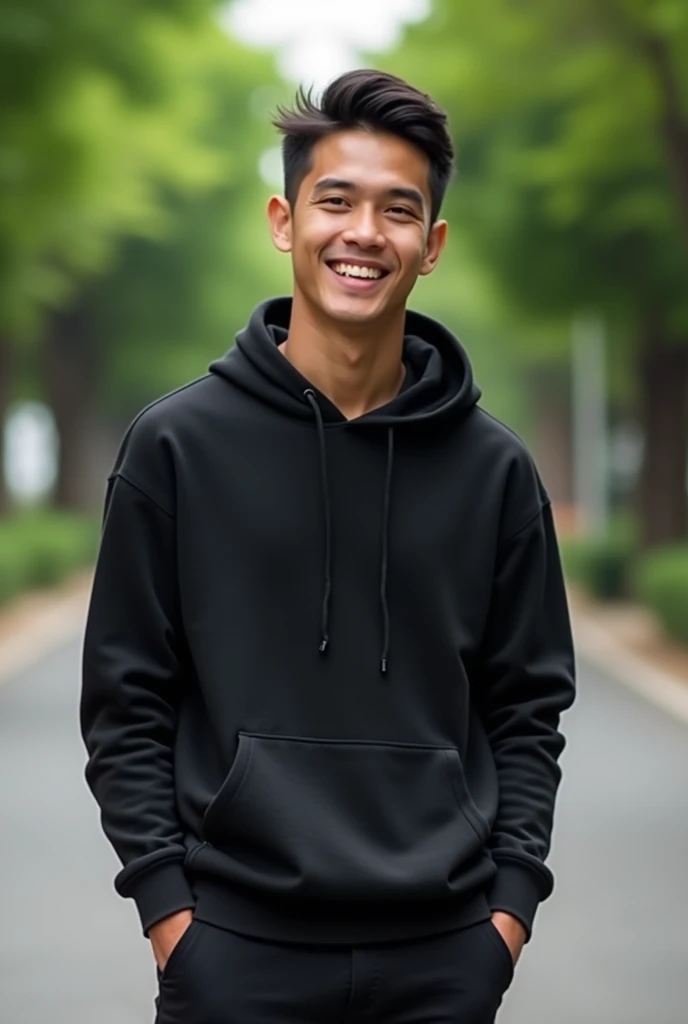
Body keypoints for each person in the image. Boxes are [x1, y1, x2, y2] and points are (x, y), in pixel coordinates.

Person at [80, 68, 576, 1024]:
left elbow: (528, 707)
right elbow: (126, 696)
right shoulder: (177, 446)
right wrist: (170, 915)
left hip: (445, 956)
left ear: (430, 246)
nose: (363, 233)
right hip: (234, 952)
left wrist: (506, 916)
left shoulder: (497, 471)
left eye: (399, 210)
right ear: (283, 220)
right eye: (334, 201)